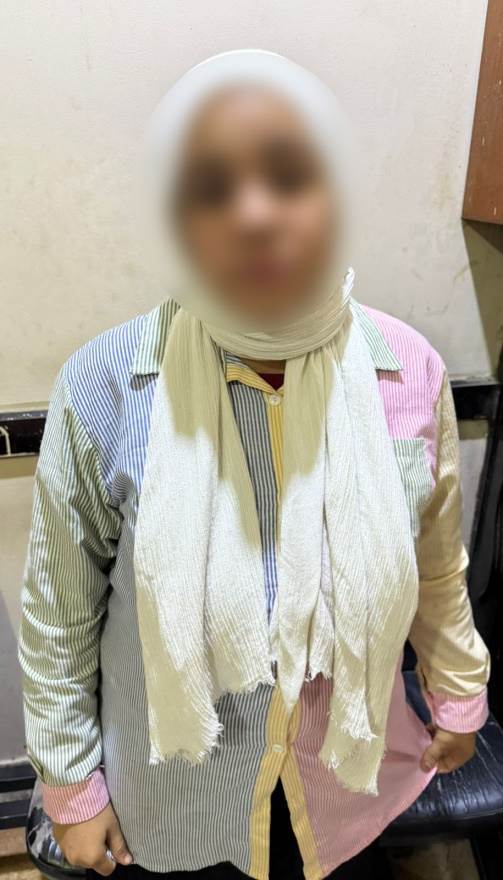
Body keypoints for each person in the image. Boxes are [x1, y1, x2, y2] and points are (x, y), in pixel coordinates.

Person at [18, 49, 491, 880]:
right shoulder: (105, 384)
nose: (254, 214)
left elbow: (433, 563)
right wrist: (71, 788)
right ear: (175, 217)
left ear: (335, 193)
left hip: (344, 787)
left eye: (290, 175)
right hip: (175, 796)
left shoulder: (407, 372)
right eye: (210, 189)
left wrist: (457, 691)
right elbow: (58, 613)